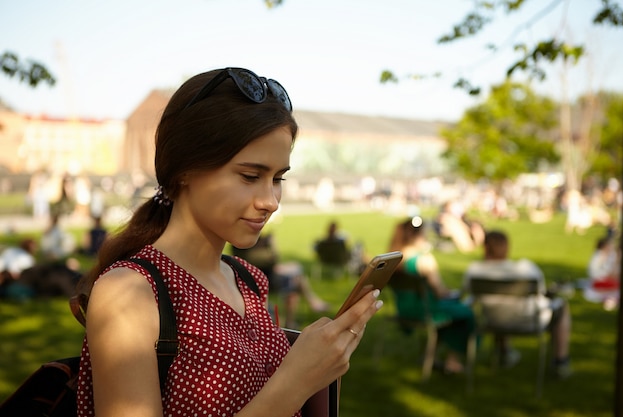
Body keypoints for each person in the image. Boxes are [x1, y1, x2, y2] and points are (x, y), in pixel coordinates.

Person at [74, 67, 383, 417]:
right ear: (185, 169)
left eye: (277, 178)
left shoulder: (248, 278)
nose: (271, 200)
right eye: (251, 176)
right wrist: (296, 381)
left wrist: (319, 363)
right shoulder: (129, 292)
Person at [463, 230, 572, 377]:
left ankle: (504, 353)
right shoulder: (526, 269)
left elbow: (467, 294)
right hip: (529, 321)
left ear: (485, 248)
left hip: (492, 320)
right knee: (562, 307)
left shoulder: (474, 271)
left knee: (498, 307)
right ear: (507, 247)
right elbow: (541, 294)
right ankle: (561, 361)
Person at [388, 216, 475, 374]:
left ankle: (431, 356)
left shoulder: (393, 259)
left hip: (403, 310)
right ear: (419, 235)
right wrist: (454, 294)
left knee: (452, 311)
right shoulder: (424, 261)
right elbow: (440, 293)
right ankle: (452, 360)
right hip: (426, 311)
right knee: (466, 313)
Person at [231, 233, 329, 329]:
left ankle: (307, 306)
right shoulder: (247, 250)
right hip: (267, 281)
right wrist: (273, 245)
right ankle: (300, 313)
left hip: (268, 276)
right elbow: (272, 260)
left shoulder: (245, 247)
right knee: (295, 282)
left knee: (296, 273)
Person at [585, 234, 621, 310]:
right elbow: (594, 273)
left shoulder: (611, 255)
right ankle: (610, 299)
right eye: (610, 246)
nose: (612, 248)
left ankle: (611, 299)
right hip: (601, 280)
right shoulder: (598, 256)